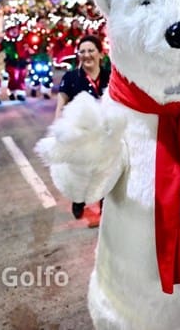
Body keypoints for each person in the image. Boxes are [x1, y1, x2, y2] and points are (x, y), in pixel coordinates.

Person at [55, 35, 111, 226]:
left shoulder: (110, 75)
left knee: (104, 170)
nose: (86, 55)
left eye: (91, 51)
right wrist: (58, 129)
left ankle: (105, 205)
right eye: (82, 51)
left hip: (105, 133)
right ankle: (78, 200)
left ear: (100, 54)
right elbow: (61, 103)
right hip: (80, 137)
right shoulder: (71, 78)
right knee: (82, 172)